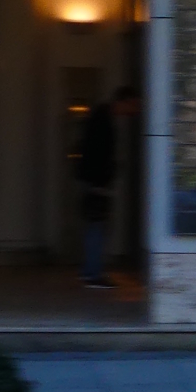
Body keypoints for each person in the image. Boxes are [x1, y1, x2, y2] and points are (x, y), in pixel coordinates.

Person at [76, 81, 139, 289]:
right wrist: (101, 182)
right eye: (133, 105)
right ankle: (93, 274)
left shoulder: (101, 117)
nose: (134, 111)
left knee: (95, 226)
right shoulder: (103, 120)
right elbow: (96, 153)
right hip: (97, 182)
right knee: (97, 226)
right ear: (124, 101)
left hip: (95, 180)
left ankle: (91, 271)